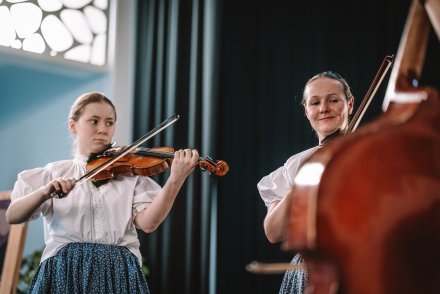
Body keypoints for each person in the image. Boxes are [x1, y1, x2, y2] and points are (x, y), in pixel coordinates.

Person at [5, 92, 199, 293]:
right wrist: (45, 191)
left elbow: (149, 224)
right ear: (73, 126)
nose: (103, 130)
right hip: (65, 270)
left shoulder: (130, 177)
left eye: (109, 123)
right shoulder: (53, 174)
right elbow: (13, 215)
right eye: (94, 121)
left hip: (119, 271)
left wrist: (176, 179)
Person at [257, 71, 354, 293]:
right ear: (306, 111)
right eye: (315, 102)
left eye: (333, 100)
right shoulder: (296, 165)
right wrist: (303, 180)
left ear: (349, 104)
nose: (323, 108)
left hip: (360, 266)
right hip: (310, 273)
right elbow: (273, 232)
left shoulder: (368, 152)